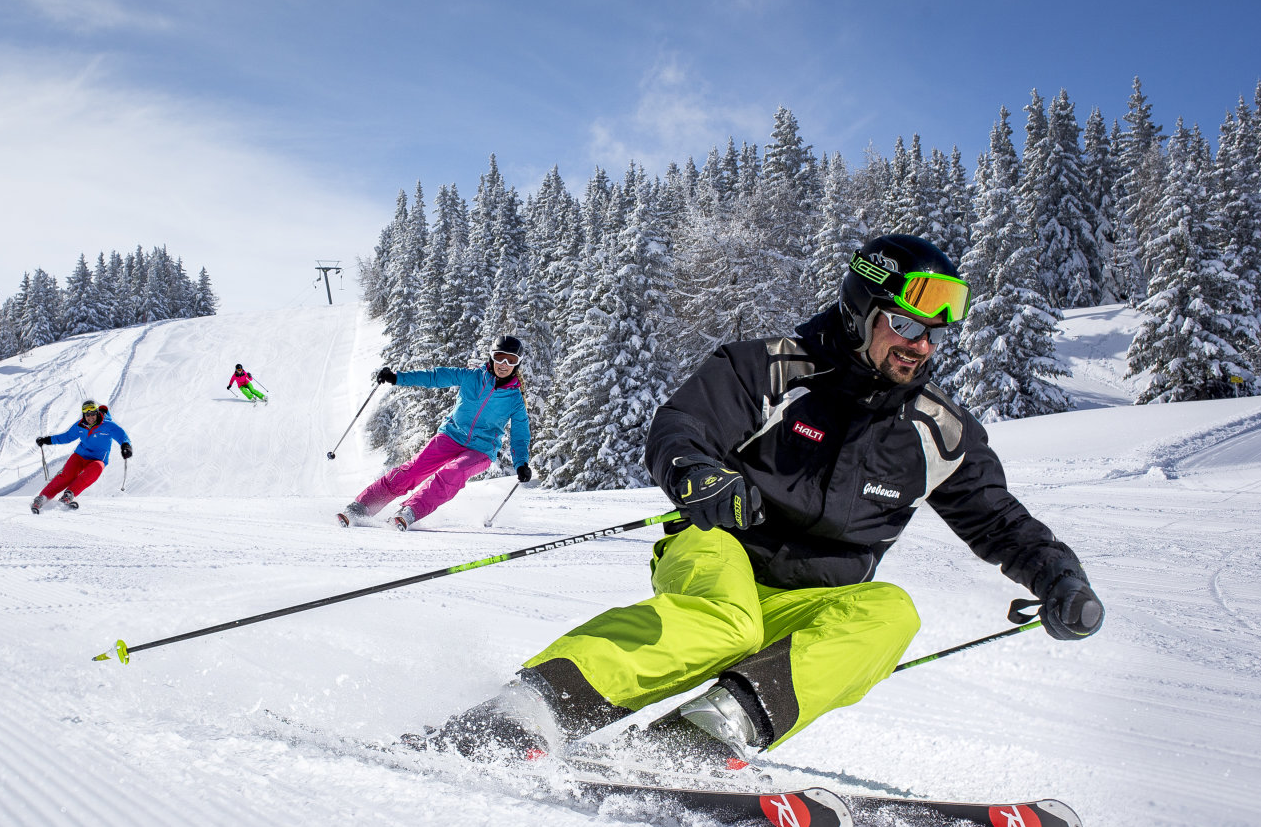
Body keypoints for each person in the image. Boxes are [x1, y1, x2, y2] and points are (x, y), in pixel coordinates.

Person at [413, 235, 1104, 760]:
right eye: (909, 325)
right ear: (865, 312)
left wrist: (1058, 574)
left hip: (811, 593)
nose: (923, 347)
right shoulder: (773, 368)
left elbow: (1000, 520)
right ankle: (535, 703)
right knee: (729, 620)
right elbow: (681, 426)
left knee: (892, 613)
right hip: (720, 549)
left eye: (935, 334)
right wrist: (701, 477)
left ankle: (714, 729)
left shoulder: (935, 429)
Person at [340, 335, 532, 531]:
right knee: (413, 469)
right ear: (491, 357)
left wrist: (521, 463)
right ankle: (362, 506)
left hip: (481, 449)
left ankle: (410, 511)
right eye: (500, 357)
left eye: (511, 360)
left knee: (454, 472)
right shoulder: (471, 376)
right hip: (451, 436)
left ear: (517, 364)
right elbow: (435, 377)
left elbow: (520, 435)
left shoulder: (515, 400)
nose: (504, 364)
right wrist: (397, 377)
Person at [32, 399, 133, 513]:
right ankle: (42, 497)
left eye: (93, 414)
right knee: (67, 475)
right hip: (80, 456)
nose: (90, 417)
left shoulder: (107, 425)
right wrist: (47, 440)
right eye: (87, 414)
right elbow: (67, 437)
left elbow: (122, 436)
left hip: (97, 459)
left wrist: (126, 446)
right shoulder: (80, 425)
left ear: (97, 413)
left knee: (96, 469)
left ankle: (68, 495)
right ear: (84, 415)